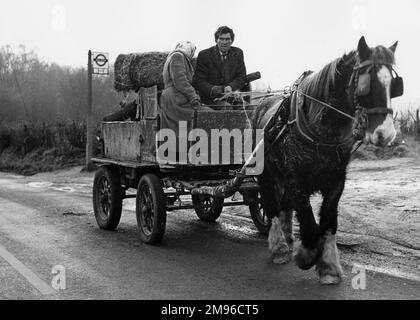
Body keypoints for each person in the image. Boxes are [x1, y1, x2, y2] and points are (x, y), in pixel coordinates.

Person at [193, 26, 247, 105]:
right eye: (221, 39)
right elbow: (198, 81)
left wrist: (231, 87)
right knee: (227, 108)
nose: (224, 42)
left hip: (232, 97)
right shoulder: (204, 55)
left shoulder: (238, 53)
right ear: (216, 40)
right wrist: (216, 89)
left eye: (227, 39)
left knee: (250, 108)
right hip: (211, 98)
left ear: (232, 41)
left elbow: (241, 77)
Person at [160, 41, 206, 132]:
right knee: (208, 115)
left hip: (173, 97)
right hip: (177, 98)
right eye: (192, 51)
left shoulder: (174, 57)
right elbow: (180, 80)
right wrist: (194, 97)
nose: (192, 54)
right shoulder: (178, 56)